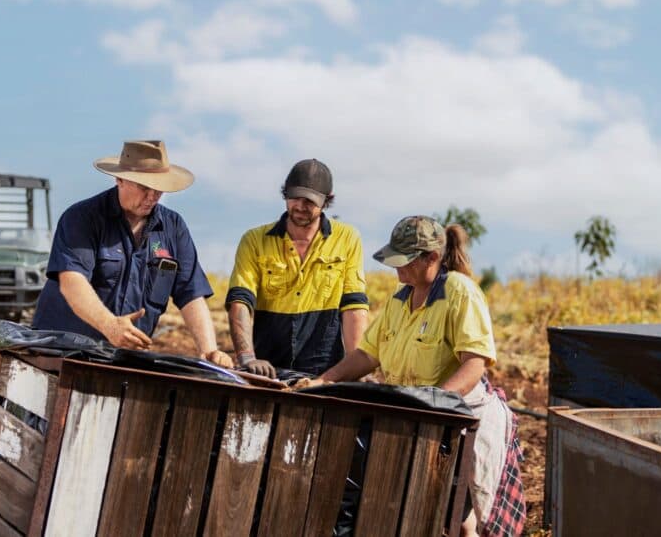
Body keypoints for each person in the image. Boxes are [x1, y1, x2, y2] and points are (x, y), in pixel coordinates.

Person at [298, 216, 526, 537]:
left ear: (431, 258)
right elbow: (366, 354)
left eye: (404, 261)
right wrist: (325, 381)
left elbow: (474, 364)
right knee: (447, 514)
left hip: (455, 418)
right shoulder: (399, 300)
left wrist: (435, 404)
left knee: (454, 513)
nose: (397, 269)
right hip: (411, 416)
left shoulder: (459, 293)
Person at [32, 140, 231, 367]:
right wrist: (109, 325)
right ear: (120, 179)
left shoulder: (173, 227)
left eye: (158, 189)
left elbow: (191, 293)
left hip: (122, 359)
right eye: (144, 187)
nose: (152, 196)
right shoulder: (82, 218)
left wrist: (209, 350)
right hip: (62, 353)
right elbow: (72, 281)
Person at [225, 159, 369, 378]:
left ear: (326, 202)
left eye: (309, 201)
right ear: (285, 194)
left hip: (324, 368)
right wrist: (247, 357)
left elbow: (354, 307)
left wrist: (355, 369)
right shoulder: (254, 240)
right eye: (294, 198)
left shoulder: (347, 238)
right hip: (267, 368)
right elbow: (240, 301)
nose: (300, 207)